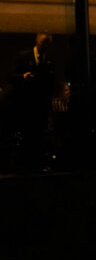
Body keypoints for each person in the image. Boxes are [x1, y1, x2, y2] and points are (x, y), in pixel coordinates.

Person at [9, 33, 56, 170]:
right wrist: (22, 77)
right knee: (29, 135)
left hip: (38, 106)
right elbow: (11, 76)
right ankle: (28, 165)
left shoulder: (47, 61)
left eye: (47, 43)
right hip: (26, 105)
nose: (45, 46)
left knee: (37, 137)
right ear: (37, 41)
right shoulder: (24, 57)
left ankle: (31, 165)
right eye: (44, 42)